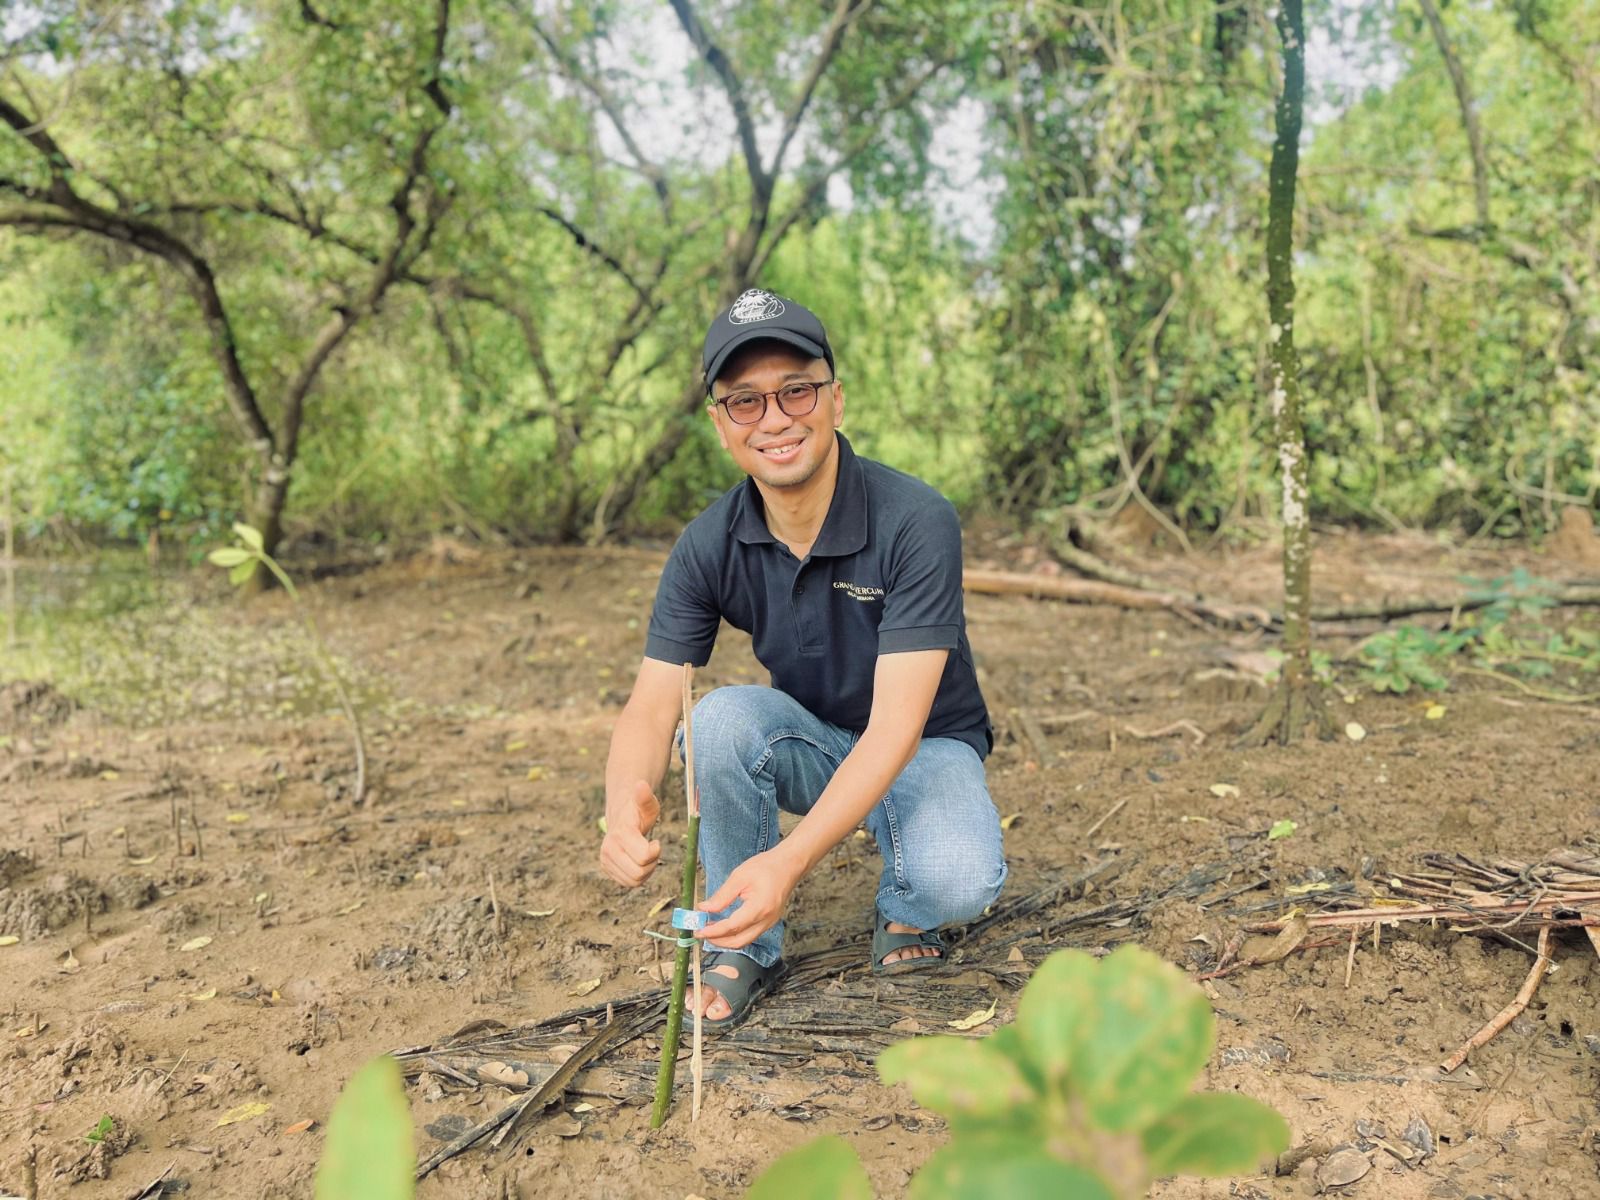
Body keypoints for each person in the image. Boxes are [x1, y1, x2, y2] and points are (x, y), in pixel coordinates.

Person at [598, 289, 1006, 1030]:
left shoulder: (915, 519)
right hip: (812, 743)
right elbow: (654, 704)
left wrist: (790, 863)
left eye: (796, 391)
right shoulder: (708, 543)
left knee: (959, 878)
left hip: (923, 745)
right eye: (746, 402)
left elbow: (895, 730)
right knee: (715, 720)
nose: (776, 418)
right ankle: (744, 941)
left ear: (836, 399)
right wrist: (622, 805)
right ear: (720, 426)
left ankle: (908, 911)